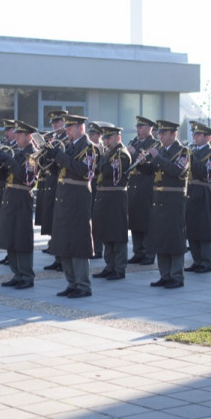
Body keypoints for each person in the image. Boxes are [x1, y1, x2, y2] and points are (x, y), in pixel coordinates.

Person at [49, 114, 97, 298]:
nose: (66, 131)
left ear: (80, 127)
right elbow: (61, 170)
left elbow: (85, 170)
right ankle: (71, 282)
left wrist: (59, 156)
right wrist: (50, 159)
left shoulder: (89, 148)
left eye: (70, 127)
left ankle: (83, 285)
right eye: (66, 128)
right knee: (64, 241)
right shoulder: (69, 146)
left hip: (78, 197)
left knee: (78, 242)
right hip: (64, 197)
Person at [0, 121, 39, 289]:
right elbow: (4, 176)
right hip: (11, 195)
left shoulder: (32, 154)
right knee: (10, 236)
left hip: (22, 195)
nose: (16, 138)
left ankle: (27, 275)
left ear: (28, 136)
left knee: (21, 236)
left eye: (19, 135)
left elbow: (26, 178)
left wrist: (8, 160)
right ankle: (17, 273)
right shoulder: (18, 152)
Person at [146, 120, 190, 289]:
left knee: (174, 237)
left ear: (174, 134)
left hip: (174, 198)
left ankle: (177, 276)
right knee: (160, 237)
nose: (160, 136)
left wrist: (157, 157)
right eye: (159, 133)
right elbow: (151, 171)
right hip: (159, 198)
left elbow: (177, 170)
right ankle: (164, 275)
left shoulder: (183, 151)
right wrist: (144, 163)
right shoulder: (162, 151)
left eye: (164, 133)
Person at [91, 124, 131, 281]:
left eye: (109, 137)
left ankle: (119, 268)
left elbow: (108, 172)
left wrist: (101, 158)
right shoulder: (109, 153)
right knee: (106, 232)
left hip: (116, 198)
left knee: (117, 234)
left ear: (118, 137)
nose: (106, 141)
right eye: (105, 138)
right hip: (105, 197)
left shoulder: (121, 154)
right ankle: (109, 266)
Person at [185, 122, 211, 273]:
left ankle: (205, 261)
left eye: (198, 135)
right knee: (191, 226)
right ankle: (196, 260)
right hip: (190, 189)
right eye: (194, 134)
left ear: (207, 137)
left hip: (203, 190)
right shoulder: (191, 151)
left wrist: (191, 159)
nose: (195, 137)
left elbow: (207, 174)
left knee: (203, 227)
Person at [126, 116, 160, 265]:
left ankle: (149, 252)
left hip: (147, 185)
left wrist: (133, 154)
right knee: (135, 219)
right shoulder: (134, 142)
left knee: (147, 221)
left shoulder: (155, 144)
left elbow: (150, 166)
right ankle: (138, 251)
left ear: (149, 128)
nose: (138, 129)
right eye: (138, 127)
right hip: (134, 184)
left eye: (141, 127)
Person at [40, 110, 69, 271]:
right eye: (53, 123)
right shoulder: (56, 140)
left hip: (62, 182)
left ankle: (63, 258)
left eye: (58, 122)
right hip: (51, 182)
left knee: (61, 223)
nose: (55, 125)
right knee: (53, 221)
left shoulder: (66, 141)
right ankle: (57, 256)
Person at [0, 119, 17, 266]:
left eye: (9, 130)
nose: (6, 133)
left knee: (11, 223)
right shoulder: (6, 147)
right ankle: (8, 253)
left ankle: (12, 254)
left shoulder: (15, 149)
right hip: (3, 186)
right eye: (5, 130)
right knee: (4, 222)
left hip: (13, 187)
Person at [87, 121, 106, 259]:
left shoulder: (102, 150)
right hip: (90, 186)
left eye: (93, 134)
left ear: (99, 135)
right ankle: (92, 247)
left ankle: (98, 249)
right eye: (90, 133)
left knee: (97, 219)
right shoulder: (91, 149)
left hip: (98, 187)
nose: (90, 136)